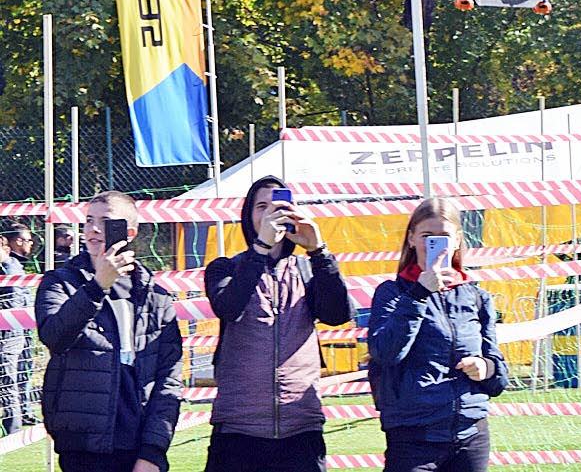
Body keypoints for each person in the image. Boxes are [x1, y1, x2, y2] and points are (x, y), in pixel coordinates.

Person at [203, 176, 354, 472]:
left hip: (300, 428)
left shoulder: (308, 269)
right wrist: (260, 249)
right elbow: (228, 307)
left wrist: (319, 250)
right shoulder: (224, 268)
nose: (272, 213)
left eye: (280, 205)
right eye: (262, 206)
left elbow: (338, 314)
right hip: (238, 428)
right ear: (248, 216)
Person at [35, 191, 182, 472]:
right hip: (83, 445)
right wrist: (97, 285)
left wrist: (154, 450)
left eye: (105, 222)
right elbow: (54, 337)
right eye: (89, 220)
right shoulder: (60, 283)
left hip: (139, 443)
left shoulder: (156, 296)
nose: (92, 229)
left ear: (128, 232)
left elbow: (169, 376)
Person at [369, 197, 508, 472]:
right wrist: (419, 293)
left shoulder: (477, 296)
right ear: (411, 239)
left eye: (443, 237)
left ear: (457, 240)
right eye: (426, 236)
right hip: (413, 436)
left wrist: (486, 367)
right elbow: (385, 353)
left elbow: (499, 375)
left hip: (470, 433)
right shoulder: (391, 293)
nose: (434, 244)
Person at [5, 225, 38, 428]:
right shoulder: (10, 267)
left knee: (23, 371)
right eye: (28, 240)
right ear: (17, 242)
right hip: (13, 330)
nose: (31, 244)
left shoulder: (16, 265)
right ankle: (14, 425)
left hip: (23, 328)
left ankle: (24, 412)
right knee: (10, 378)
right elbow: (14, 299)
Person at [0, 234, 28, 435]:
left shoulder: (10, 269)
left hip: (8, 336)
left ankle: (13, 431)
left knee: (7, 383)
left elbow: (14, 304)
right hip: (11, 336)